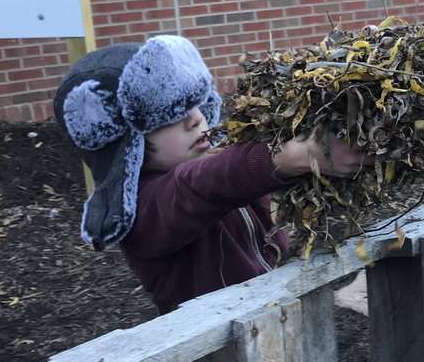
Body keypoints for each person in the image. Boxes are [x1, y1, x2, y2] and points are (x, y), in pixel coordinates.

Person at [54, 34, 372, 314]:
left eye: (194, 104)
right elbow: (202, 186)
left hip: (272, 319)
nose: (195, 118)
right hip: (214, 358)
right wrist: (296, 156)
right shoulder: (143, 213)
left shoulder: (214, 159)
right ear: (127, 145)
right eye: (169, 116)